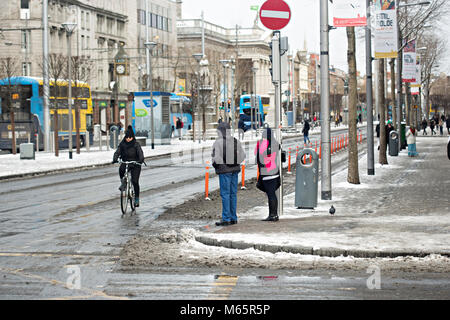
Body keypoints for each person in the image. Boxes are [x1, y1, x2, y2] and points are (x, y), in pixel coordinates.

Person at [212, 122, 246, 226]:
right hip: (234, 170)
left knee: (225, 194)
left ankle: (226, 218)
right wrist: (235, 163)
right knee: (233, 194)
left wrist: (220, 165)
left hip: (224, 172)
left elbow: (216, 158)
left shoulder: (218, 142)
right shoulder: (236, 141)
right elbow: (243, 155)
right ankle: (233, 217)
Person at [112, 125, 145, 207]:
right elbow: (117, 152)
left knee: (135, 181)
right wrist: (115, 158)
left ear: (132, 137)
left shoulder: (136, 144)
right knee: (121, 169)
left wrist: (140, 160)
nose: (128, 139)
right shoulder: (122, 144)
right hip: (126, 162)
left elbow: (140, 153)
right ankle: (123, 183)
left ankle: (136, 198)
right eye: (127, 138)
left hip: (135, 164)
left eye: (130, 138)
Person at [255, 127, 282, 222]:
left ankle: (273, 215)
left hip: (267, 173)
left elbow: (259, 157)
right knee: (272, 194)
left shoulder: (265, 145)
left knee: (271, 195)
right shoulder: (275, 143)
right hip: (274, 172)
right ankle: (274, 214)